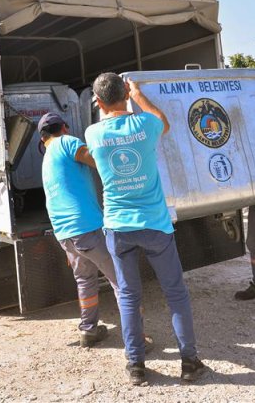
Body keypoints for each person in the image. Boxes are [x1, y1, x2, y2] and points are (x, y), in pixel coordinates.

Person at [85, 72, 206, 386]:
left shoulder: (93, 134)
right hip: (154, 224)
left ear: (98, 102)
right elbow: (162, 120)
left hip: (118, 227)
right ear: (125, 93)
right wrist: (137, 95)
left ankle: (136, 365)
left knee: (128, 295)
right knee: (175, 293)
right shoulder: (146, 125)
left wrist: (121, 99)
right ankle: (189, 363)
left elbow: (108, 120)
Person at [38, 112, 118, 347]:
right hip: (86, 227)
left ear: (43, 138)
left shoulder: (48, 157)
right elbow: (95, 159)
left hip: (65, 234)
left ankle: (89, 330)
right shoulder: (67, 141)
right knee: (121, 281)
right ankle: (139, 340)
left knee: (85, 280)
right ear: (64, 127)